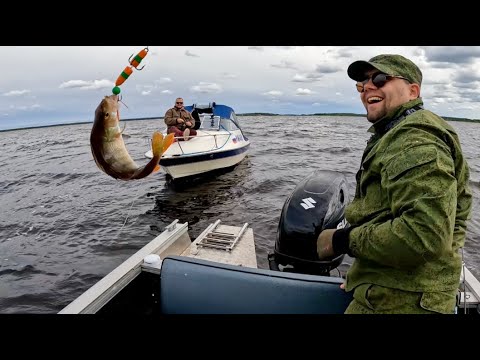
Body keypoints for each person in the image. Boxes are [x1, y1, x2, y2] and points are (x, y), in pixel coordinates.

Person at [316, 54, 472, 314]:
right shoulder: (396, 132)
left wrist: (343, 241)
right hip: (390, 289)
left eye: (380, 78)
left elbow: (424, 236)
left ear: (413, 91)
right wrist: (365, 275)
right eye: (362, 84)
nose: (368, 87)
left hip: (401, 302)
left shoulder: (414, 140)